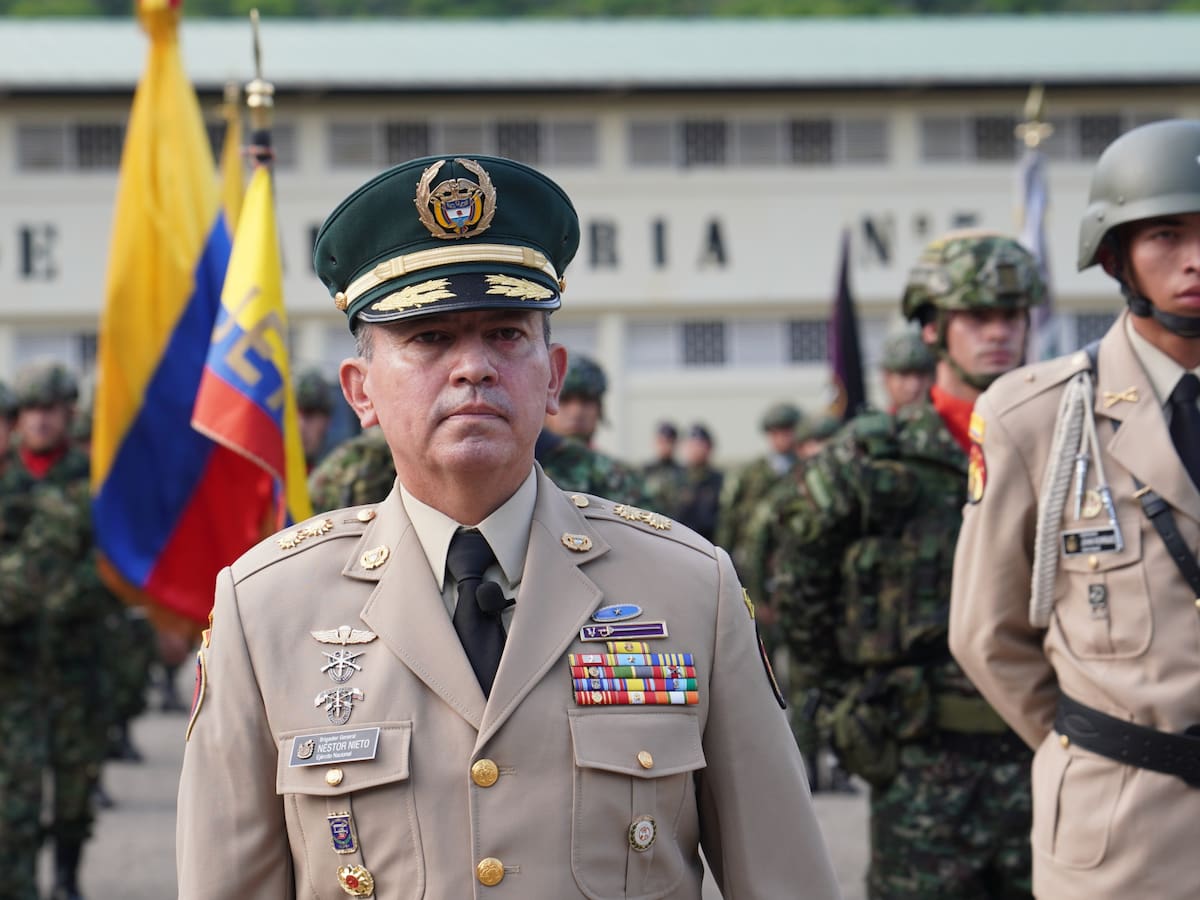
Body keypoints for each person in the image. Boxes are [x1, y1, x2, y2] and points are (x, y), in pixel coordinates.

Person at [177, 154, 838, 899]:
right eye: (428, 338)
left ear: (552, 376)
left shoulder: (689, 588)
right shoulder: (265, 609)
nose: (474, 368)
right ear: (361, 393)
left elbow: (786, 879)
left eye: (505, 334)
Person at [950, 119, 1200, 900]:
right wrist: (1100, 747)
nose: (1196, 259)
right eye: (1166, 234)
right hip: (1122, 829)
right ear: (1115, 254)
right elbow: (987, 634)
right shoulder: (1038, 414)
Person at [772, 230, 1045, 899]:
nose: (998, 335)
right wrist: (839, 704)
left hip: (1044, 752)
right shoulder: (876, 456)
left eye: (1011, 317)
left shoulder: (1060, 441)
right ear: (931, 328)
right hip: (922, 759)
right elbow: (796, 578)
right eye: (977, 318)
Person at [10, 360, 112, 900]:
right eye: (30, 410)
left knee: (74, 780)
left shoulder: (92, 479)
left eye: (49, 409)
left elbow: (113, 562)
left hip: (75, 657)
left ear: (67, 413)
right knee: (15, 790)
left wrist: (69, 595)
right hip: (16, 663)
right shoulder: (5, 476)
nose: (40, 420)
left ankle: (68, 876)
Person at [544, 353, 606, 445]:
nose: (576, 412)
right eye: (564, 400)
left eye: (586, 400)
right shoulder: (520, 459)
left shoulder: (602, 459)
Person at [675, 423, 723, 541]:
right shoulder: (675, 480)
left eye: (699, 445)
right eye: (691, 445)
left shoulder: (719, 481)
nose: (694, 450)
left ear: (709, 448)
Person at [879, 330, 936, 412]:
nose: (914, 386)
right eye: (904, 374)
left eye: (921, 374)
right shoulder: (879, 424)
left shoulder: (950, 420)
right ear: (887, 377)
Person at [642, 419, 686, 517]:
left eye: (668, 442)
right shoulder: (645, 471)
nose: (664, 446)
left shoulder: (684, 473)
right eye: (661, 442)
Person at [295, 367, 336, 470]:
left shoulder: (338, 476)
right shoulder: (266, 477)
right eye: (292, 415)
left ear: (327, 422)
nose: (300, 425)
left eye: (310, 415)